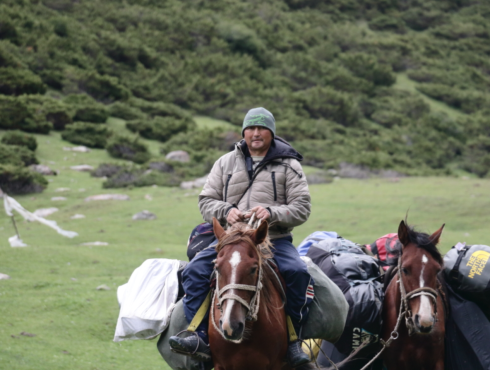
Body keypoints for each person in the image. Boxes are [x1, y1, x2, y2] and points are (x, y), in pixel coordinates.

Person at [169, 107, 313, 367]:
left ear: (271, 133)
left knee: (297, 272)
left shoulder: (290, 165)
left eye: (262, 129)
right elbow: (206, 202)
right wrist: (227, 211)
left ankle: (293, 342)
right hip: (229, 239)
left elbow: (302, 208)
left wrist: (271, 213)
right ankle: (198, 335)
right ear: (244, 132)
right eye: (251, 128)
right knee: (195, 270)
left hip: (272, 240)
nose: (256, 133)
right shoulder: (225, 162)